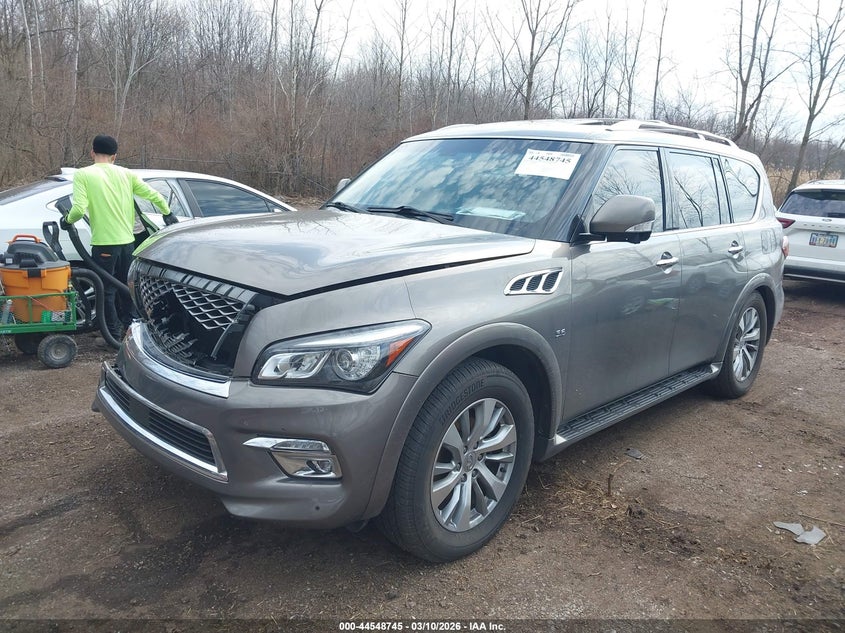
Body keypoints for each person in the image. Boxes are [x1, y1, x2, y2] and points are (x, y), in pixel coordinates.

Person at [63, 134, 178, 339]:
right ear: (114, 156)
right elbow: (154, 195)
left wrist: (67, 221)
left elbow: (79, 209)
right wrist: (167, 213)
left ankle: (112, 333)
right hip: (128, 243)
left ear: (92, 152)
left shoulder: (83, 175)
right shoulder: (126, 174)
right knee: (127, 287)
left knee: (106, 289)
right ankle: (131, 329)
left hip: (104, 244)